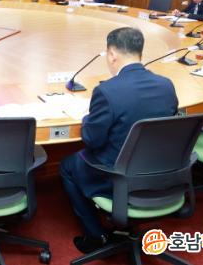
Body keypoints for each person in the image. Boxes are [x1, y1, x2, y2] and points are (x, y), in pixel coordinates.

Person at [60, 27, 178, 253]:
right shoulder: (166, 85)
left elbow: (92, 140)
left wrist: (87, 119)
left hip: (118, 177)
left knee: (67, 166)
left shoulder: (107, 91)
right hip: (162, 172)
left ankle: (95, 234)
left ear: (112, 54)